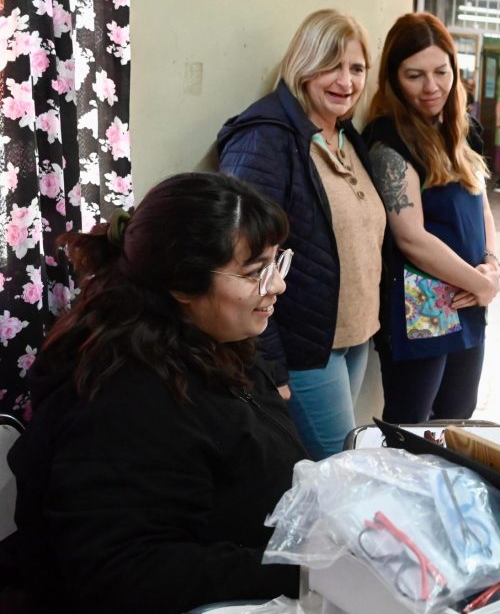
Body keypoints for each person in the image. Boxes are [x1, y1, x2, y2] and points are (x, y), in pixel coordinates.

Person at [2, 173, 306, 613]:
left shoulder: (217, 343)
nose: (276, 285)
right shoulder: (124, 399)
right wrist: (299, 570)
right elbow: (124, 570)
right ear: (182, 285)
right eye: (256, 271)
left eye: (278, 263)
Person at [218, 8, 384, 459]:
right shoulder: (266, 137)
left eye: (356, 68)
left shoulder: (346, 136)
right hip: (304, 350)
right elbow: (240, 261)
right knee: (339, 474)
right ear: (303, 64)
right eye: (331, 64)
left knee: (332, 472)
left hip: (352, 338)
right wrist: (269, 362)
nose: (345, 81)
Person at [363, 12, 500, 424]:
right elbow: (411, 239)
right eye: (414, 75)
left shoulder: (464, 129)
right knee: (412, 425)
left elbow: (484, 208)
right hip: (420, 305)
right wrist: (480, 284)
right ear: (393, 77)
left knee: (458, 417)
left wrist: (492, 268)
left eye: (441, 71)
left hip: (471, 298)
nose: (432, 87)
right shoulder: (389, 137)